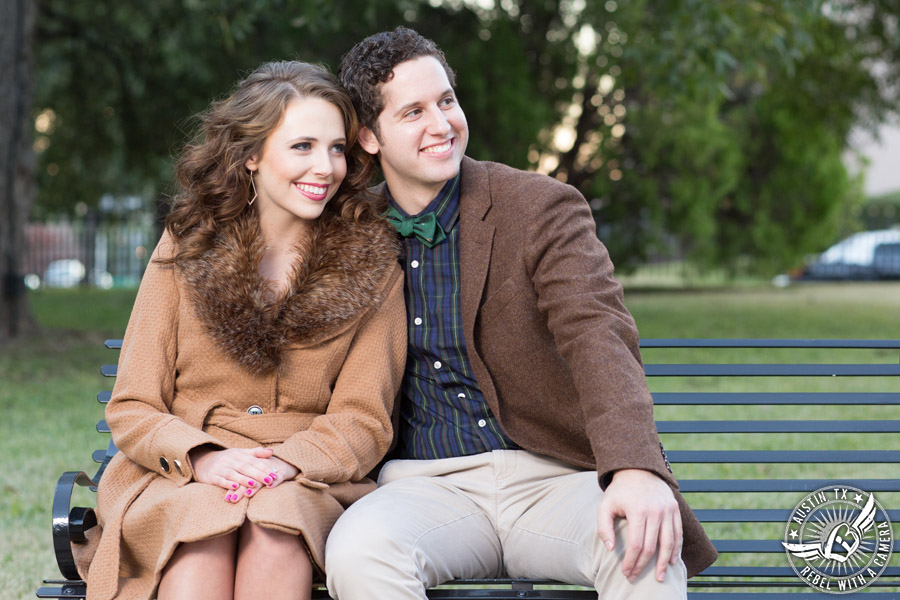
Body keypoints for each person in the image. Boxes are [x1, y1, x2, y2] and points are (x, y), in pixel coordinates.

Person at [325, 27, 717, 599]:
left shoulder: (539, 208)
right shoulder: (349, 232)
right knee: (359, 552)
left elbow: (597, 332)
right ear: (368, 137)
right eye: (412, 112)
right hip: (426, 488)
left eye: (446, 101)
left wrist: (636, 467)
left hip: (554, 478)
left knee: (643, 545)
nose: (441, 124)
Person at [79, 61, 407, 600]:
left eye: (336, 148)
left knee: (275, 534)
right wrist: (204, 458)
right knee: (200, 541)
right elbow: (133, 405)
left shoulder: (373, 264)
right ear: (250, 156)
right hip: (183, 471)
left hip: (304, 476)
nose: (325, 167)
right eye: (302, 146)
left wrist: (284, 463)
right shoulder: (187, 245)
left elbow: (363, 420)